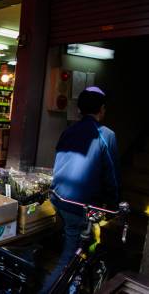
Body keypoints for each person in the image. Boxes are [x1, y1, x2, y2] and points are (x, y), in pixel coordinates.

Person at [40, 86, 120, 293]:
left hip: (57, 197)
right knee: (68, 259)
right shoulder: (106, 135)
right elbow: (111, 174)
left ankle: (73, 283)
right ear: (102, 109)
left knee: (73, 245)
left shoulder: (68, 130)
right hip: (77, 205)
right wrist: (113, 205)